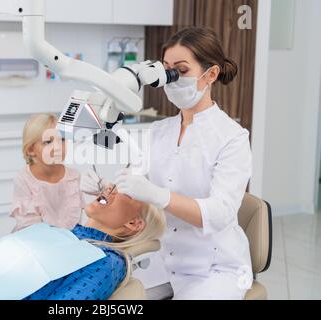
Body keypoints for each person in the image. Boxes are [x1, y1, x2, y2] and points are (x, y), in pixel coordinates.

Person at [82, 27, 253, 300]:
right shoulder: (159, 131)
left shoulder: (232, 138)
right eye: (167, 70)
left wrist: (159, 196)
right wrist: (107, 185)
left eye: (181, 71)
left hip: (215, 267)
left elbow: (220, 213)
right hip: (164, 258)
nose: (172, 79)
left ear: (210, 75)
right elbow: (133, 179)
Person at [0, 187, 166, 300]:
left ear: (134, 224)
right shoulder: (64, 234)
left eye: (125, 193)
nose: (110, 189)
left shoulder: (106, 262)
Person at [10, 113, 85, 231]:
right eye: (48, 142)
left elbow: (76, 222)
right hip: (34, 241)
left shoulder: (74, 177)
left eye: (62, 139)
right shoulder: (23, 180)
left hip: (67, 242)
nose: (58, 147)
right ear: (30, 149)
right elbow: (30, 228)